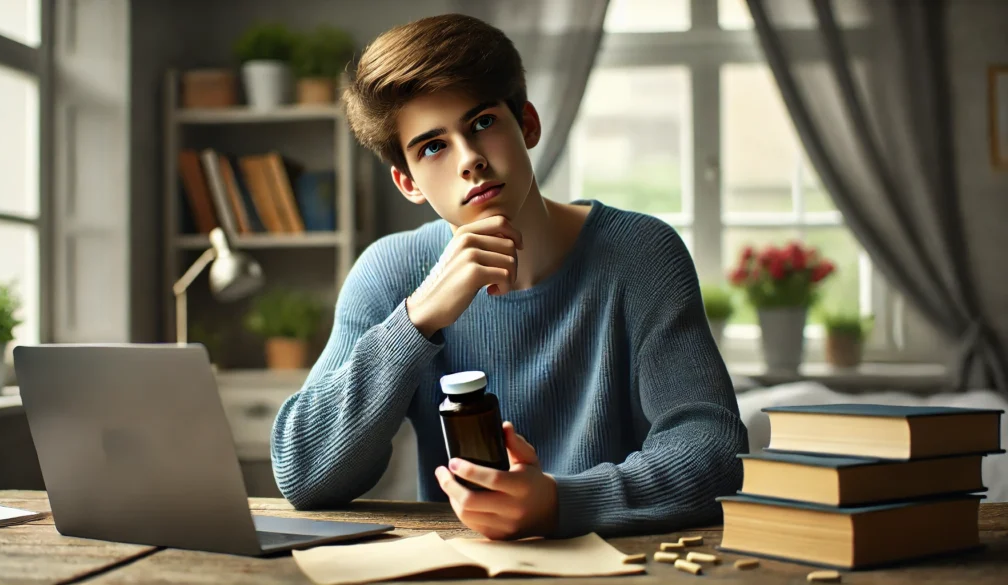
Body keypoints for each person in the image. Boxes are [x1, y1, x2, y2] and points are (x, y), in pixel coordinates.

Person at [271, 13, 748, 540]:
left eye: (482, 123)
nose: (470, 159)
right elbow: (304, 474)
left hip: (625, 565)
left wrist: (563, 502)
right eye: (434, 146)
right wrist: (418, 319)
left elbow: (716, 451)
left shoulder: (640, 254)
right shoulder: (390, 273)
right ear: (407, 182)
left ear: (527, 124)